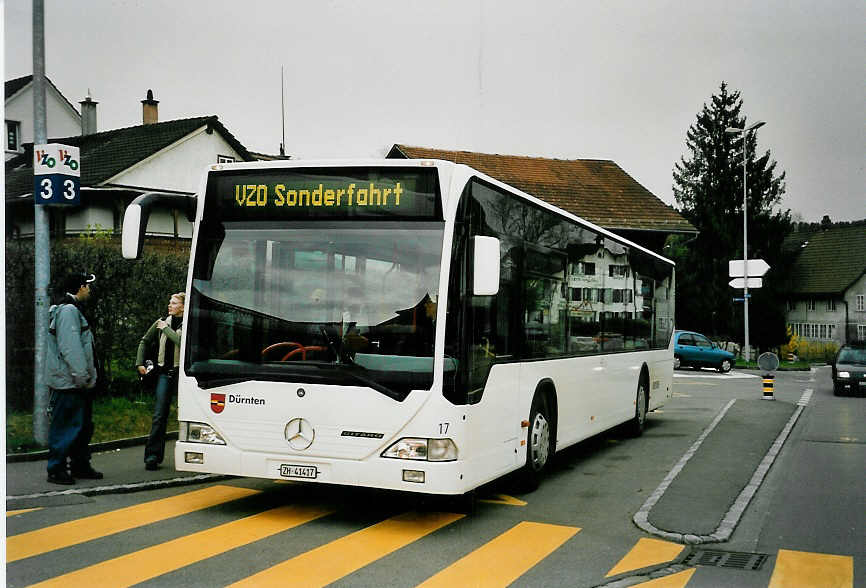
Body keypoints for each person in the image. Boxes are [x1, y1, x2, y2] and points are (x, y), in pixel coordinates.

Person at [45, 271, 103, 485]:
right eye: (88, 286)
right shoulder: (69, 311)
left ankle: (80, 464)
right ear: (80, 287)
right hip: (71, 382)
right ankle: (56, 469)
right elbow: (71, 348)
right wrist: (82, 378)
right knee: (66, 426)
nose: (89, 290)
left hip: (74, 381)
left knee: (82, 426)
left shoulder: (68, 309)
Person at [136, 292, 185, 470]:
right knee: (159, 415)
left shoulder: (188, 323)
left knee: (188, 415)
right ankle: (152, 456)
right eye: (169, 302)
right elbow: (144, 341)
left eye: (173, 303)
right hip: (165, 374)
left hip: (183, 376)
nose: (169, 306)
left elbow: (181, 341)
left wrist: (165, 328)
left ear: (183, 307)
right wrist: (139, 362)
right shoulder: (161, 321)